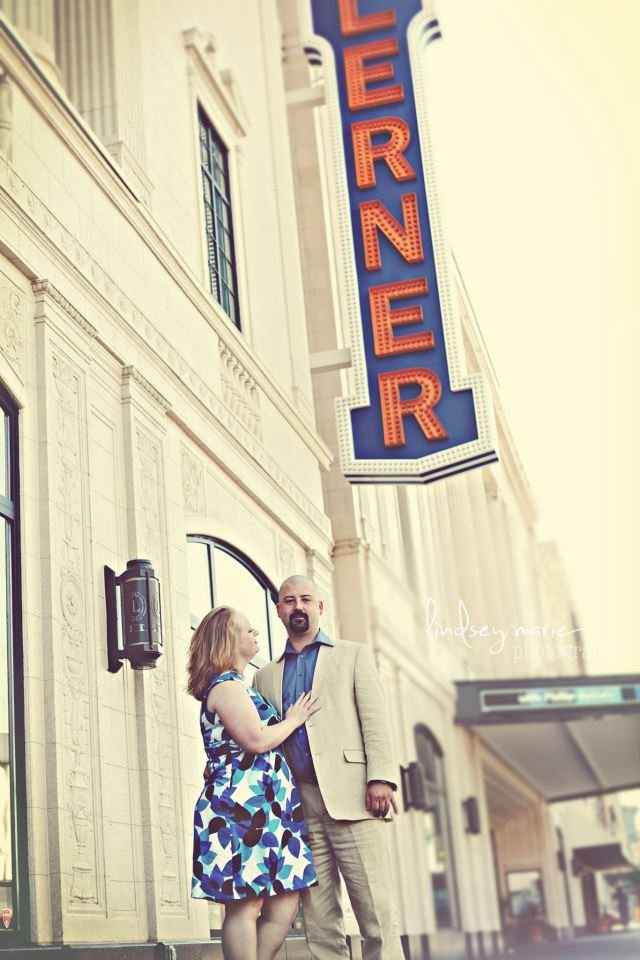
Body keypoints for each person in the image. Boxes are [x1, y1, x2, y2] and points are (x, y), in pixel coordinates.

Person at [254, 575, 403, 960]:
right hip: (300, 808)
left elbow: (375, 719)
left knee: (376, 910)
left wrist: (381, 778)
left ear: (320, 607)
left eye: (306, 599)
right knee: (320, 919)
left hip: (355, 796)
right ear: (279, 611)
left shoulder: (353, 654)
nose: (297, 607)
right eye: (289, 601)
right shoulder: (264, 676)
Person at [188, 605, 319, 960]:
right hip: (241, 806)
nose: (255, 634)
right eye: (247, 630)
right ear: (228, 639)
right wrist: (294, 720)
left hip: (268, 807)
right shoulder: (226, 687)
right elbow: (256, 740)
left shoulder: (241, 686)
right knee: (245, 906)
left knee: (286, 900)